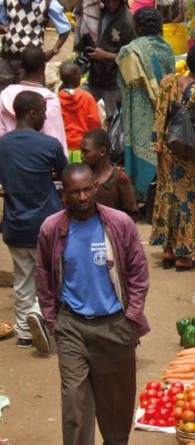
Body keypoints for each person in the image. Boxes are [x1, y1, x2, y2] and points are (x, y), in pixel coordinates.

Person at [36, 162, 150, 445]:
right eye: (75, 191)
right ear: (64, 194)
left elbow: (138, 272)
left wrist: (131, 318)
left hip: (114, 323)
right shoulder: (52, 229)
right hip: (72, 325)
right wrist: (54, 320)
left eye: (88, 189)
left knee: (117, 393)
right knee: (74, 402)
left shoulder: (118, 224)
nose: (83, 197)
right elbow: (43, 275)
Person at [0, 91, 66, 350]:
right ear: (33, 113)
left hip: (15, 225)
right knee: (51, 275)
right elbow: (65, 175)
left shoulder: (2, 144)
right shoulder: (49, 145)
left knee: (23, 278)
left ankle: (25, 332)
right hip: (46, 223)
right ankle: (38, 314)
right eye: (43, 111)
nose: (45, 116)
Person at [150, 44, 195, 271]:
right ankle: (184, 255)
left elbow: (162, 113)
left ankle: (168, 250)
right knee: (190, 201)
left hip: (169, 149)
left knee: (169, 196)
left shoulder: (168, 81)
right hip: (190, 155)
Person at [116, 7, 176, 204]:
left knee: (142, 147)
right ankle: (160, 196)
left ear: (138, 29)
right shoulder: (167, 49)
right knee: (161, 150)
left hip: (139, 110)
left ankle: (142, 196)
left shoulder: (129, 51)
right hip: (164, 108)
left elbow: (124, 83)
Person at [0, 0, 71, 88]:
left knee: (30, 96)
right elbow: (3, 23)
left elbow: (65, 29)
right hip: (7, 59)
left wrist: (53, 51)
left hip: (31, 63)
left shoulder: (47, 2)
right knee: (3, 96)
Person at [85, 0, 136, 118]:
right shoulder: (101, 14)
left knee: (112, 119)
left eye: (115, 1)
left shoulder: (128, 21)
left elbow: (132, 55)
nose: (111, 4)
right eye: (108, 1)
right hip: (95, 76)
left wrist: (106, 55)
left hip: (114, 80)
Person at [0, 46, 67, 151]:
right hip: (39, 162)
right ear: (43, 67)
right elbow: (56, 140)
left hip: (7, 160)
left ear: (21, 66)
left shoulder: (5, 95)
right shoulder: (49, 100)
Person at [81, 129, 138, 218]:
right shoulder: (82, 177)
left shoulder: (119, 178)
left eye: (86, 152)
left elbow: (131, 214)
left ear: (102, 152)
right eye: (81, 151)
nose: (82, 155)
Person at [58, 62, 101, 163]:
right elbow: (95, 121)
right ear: (78, 78)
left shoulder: (57, 99)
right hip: (84, 148)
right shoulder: (87, 98)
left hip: (64, 148)